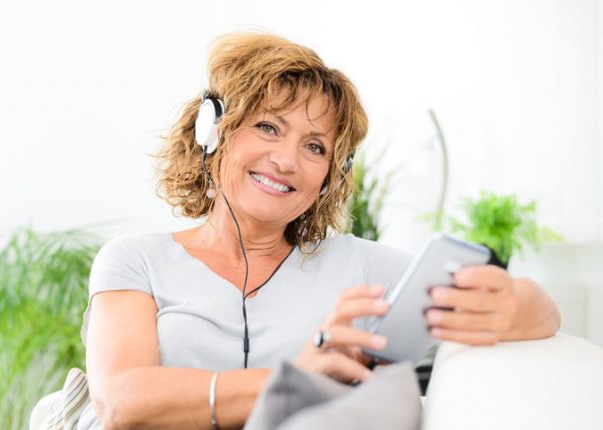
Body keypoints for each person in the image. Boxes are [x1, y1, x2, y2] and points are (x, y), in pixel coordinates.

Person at [77, 32, 560, 430]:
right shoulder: (135, 260)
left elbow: (543, 312)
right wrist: (297, 376)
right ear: (213, 131)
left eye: (314, 147)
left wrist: (507, 307)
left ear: (330, 174)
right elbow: (124, 402)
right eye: (267, 127)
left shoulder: (362, 266)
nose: (287, 161)